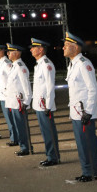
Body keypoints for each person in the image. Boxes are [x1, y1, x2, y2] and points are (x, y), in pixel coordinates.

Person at [63, 32, 97, 182]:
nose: (63, 48)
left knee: (88, 143)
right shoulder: (73, 64)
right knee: (81, 143)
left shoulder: (84, 64)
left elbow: (93, 88)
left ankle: (92, 172)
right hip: (77, 111)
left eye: (66, 45)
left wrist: (89, 112)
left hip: (85, 112)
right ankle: (87, 170)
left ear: (76, 47)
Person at [29, 38, 60, 167]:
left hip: (44, 105)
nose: (31, 49)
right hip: (39, 104)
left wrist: (48, 105)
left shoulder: (47, 64)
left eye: (33, 47)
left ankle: (53, 157)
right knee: (44, 131)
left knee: (49, 131)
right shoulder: (39, 64)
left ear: (40, 49)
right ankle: (50, 155)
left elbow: (50, 86)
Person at [5, 43, 33, 156]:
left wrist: (26, 101)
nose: (8, 54)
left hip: (19, 103)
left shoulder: (20, 67)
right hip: (14, 102)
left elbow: (26, 85)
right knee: (18, 125)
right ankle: (23, 146)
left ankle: (26, 148)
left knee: (22, 126)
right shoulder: (14, 66)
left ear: (16, 53)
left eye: (10, 52)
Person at [0, 45, 18, 146]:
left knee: (11, 118)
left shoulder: (6, 64)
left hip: (7, 96)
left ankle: (15, 138)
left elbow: (11, 80)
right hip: (3, 95)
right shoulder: (0, 63)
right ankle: (14, 137)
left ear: (1, 52)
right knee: (8, 118)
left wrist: (8, 94)